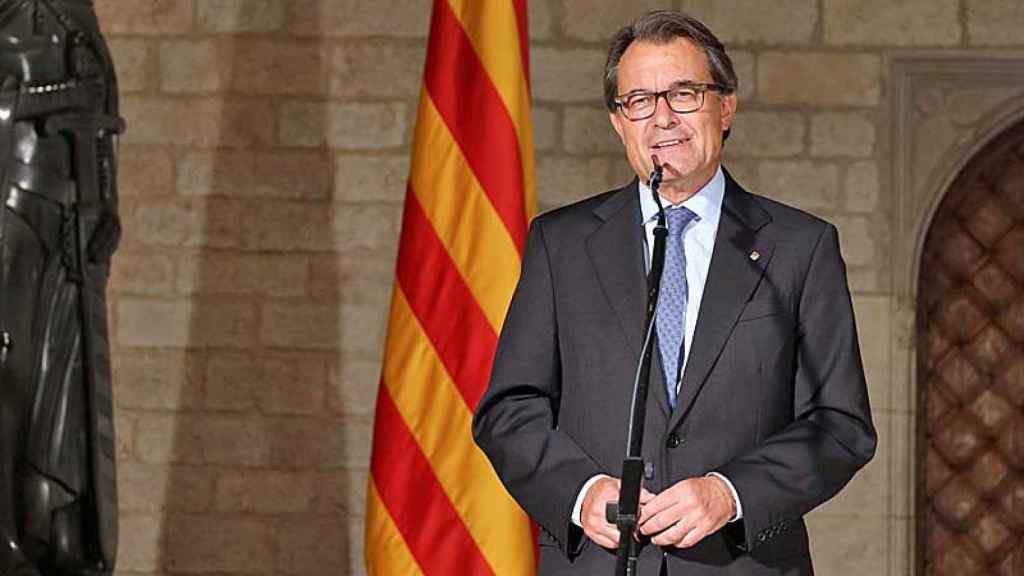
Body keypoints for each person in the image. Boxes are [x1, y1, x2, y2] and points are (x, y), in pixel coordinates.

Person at [473, 9, 877, 575]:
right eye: (639, 100)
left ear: (725, 106)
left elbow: (840, 424)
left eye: (684, 93)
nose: (663, 118)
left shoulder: (800, 248)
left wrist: (730, 492)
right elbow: (509, 410)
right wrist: (582, 492)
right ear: (619, 123)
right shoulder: (559, 246)